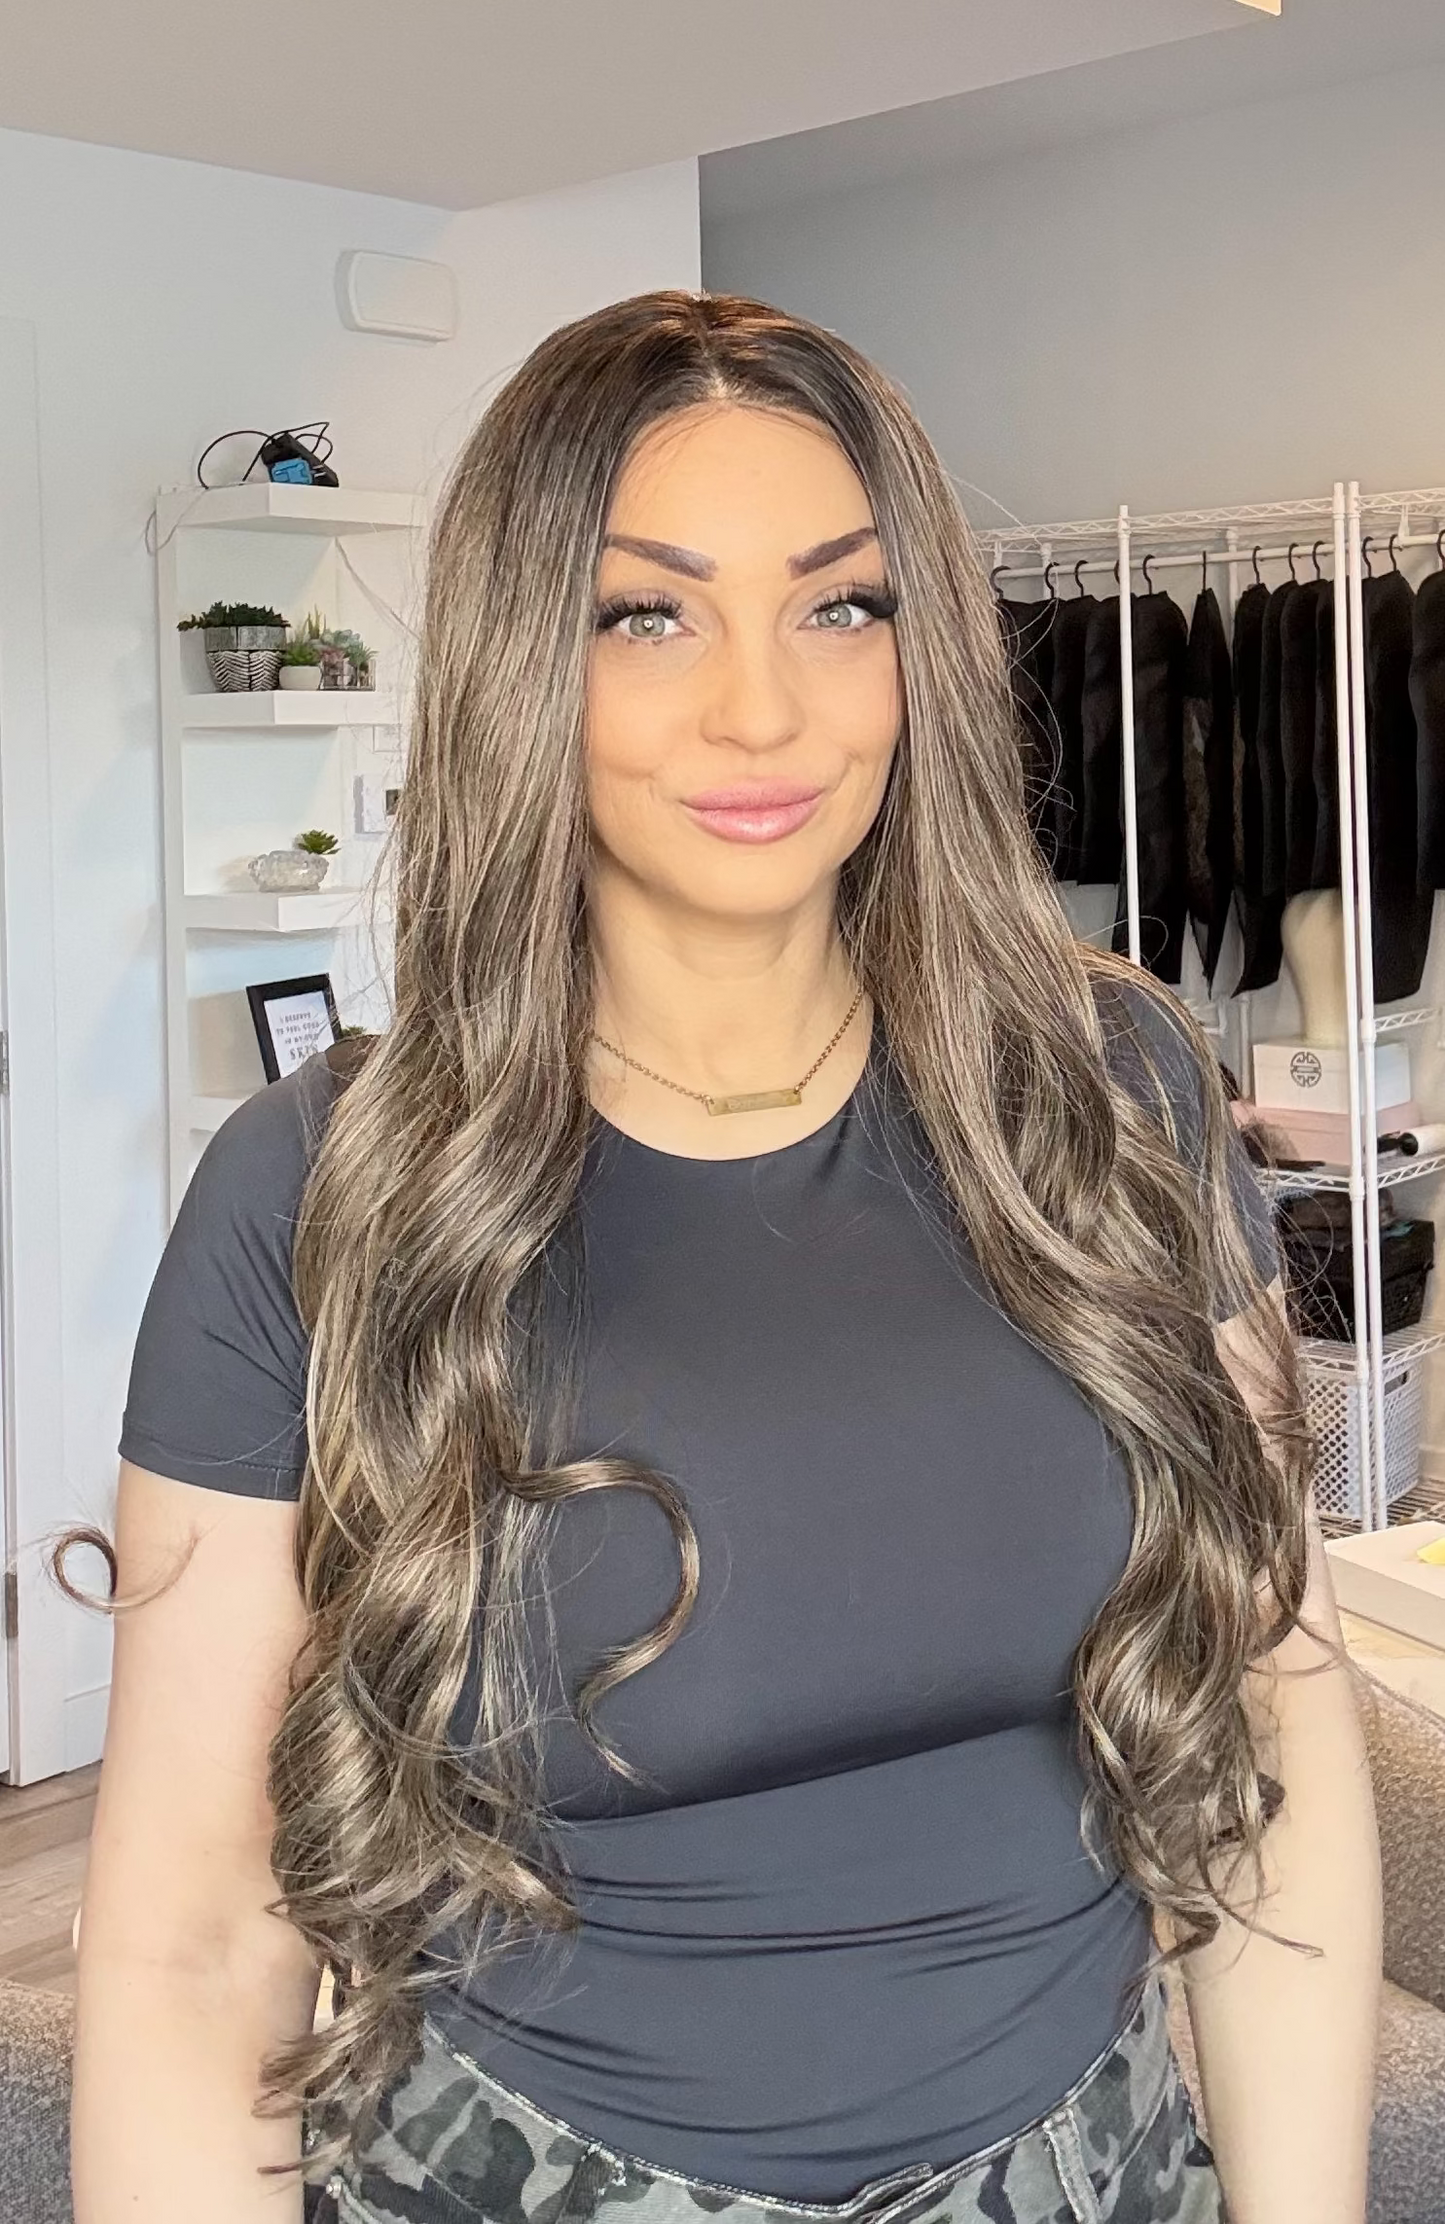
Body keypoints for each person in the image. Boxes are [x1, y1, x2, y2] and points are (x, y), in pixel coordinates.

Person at [65, 293, 1380, 2224]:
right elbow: (188, 1949)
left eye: (840, 607)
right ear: (529, 660)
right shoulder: (320, 1199)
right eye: (646, 612)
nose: (762, 709)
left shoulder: (1116, 1106)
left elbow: (1271, 1713)